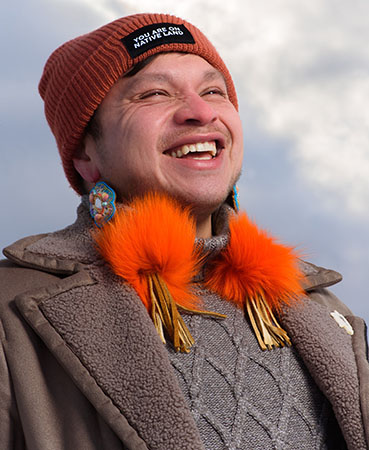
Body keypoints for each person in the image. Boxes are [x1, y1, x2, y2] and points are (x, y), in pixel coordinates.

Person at [0, 13, 368, 450]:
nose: (202, 112)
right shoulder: (13, 313)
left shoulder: (324, 309)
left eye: (214, 90)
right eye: (154, 93)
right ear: (85, 149)